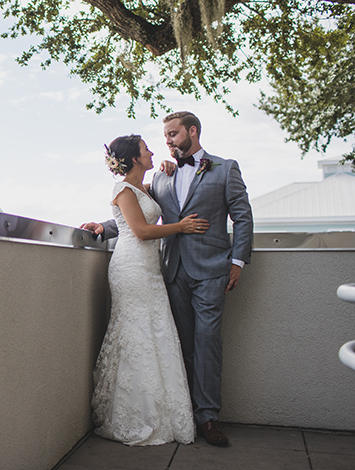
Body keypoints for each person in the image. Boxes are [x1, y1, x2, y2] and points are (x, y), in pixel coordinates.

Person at [83, 111, 254, 446]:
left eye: (173, 134)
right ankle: (181, 412)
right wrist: (105, 227)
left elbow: (243, 217)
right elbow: (136, 212)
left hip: (211, 270)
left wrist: (237, 261)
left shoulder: (225, 168)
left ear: (192, 131)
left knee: (207, 342)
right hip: (170, 271)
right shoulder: (161, 177)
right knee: (180, 345)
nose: (168, 142)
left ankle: (208, 418)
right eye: (164, 137)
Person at [90, 134, 208, 446]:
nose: (153, 151)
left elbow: (149, 209)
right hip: (130, 267)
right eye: (146, 149)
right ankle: (133, 414)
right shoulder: (123, 189)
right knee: (136, 332)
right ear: (134, 158)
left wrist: (168, 169)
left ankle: (162, 413)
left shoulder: (147, 185)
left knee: (157, 332)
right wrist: (181, 227)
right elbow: (140, 230)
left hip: (151, 269)